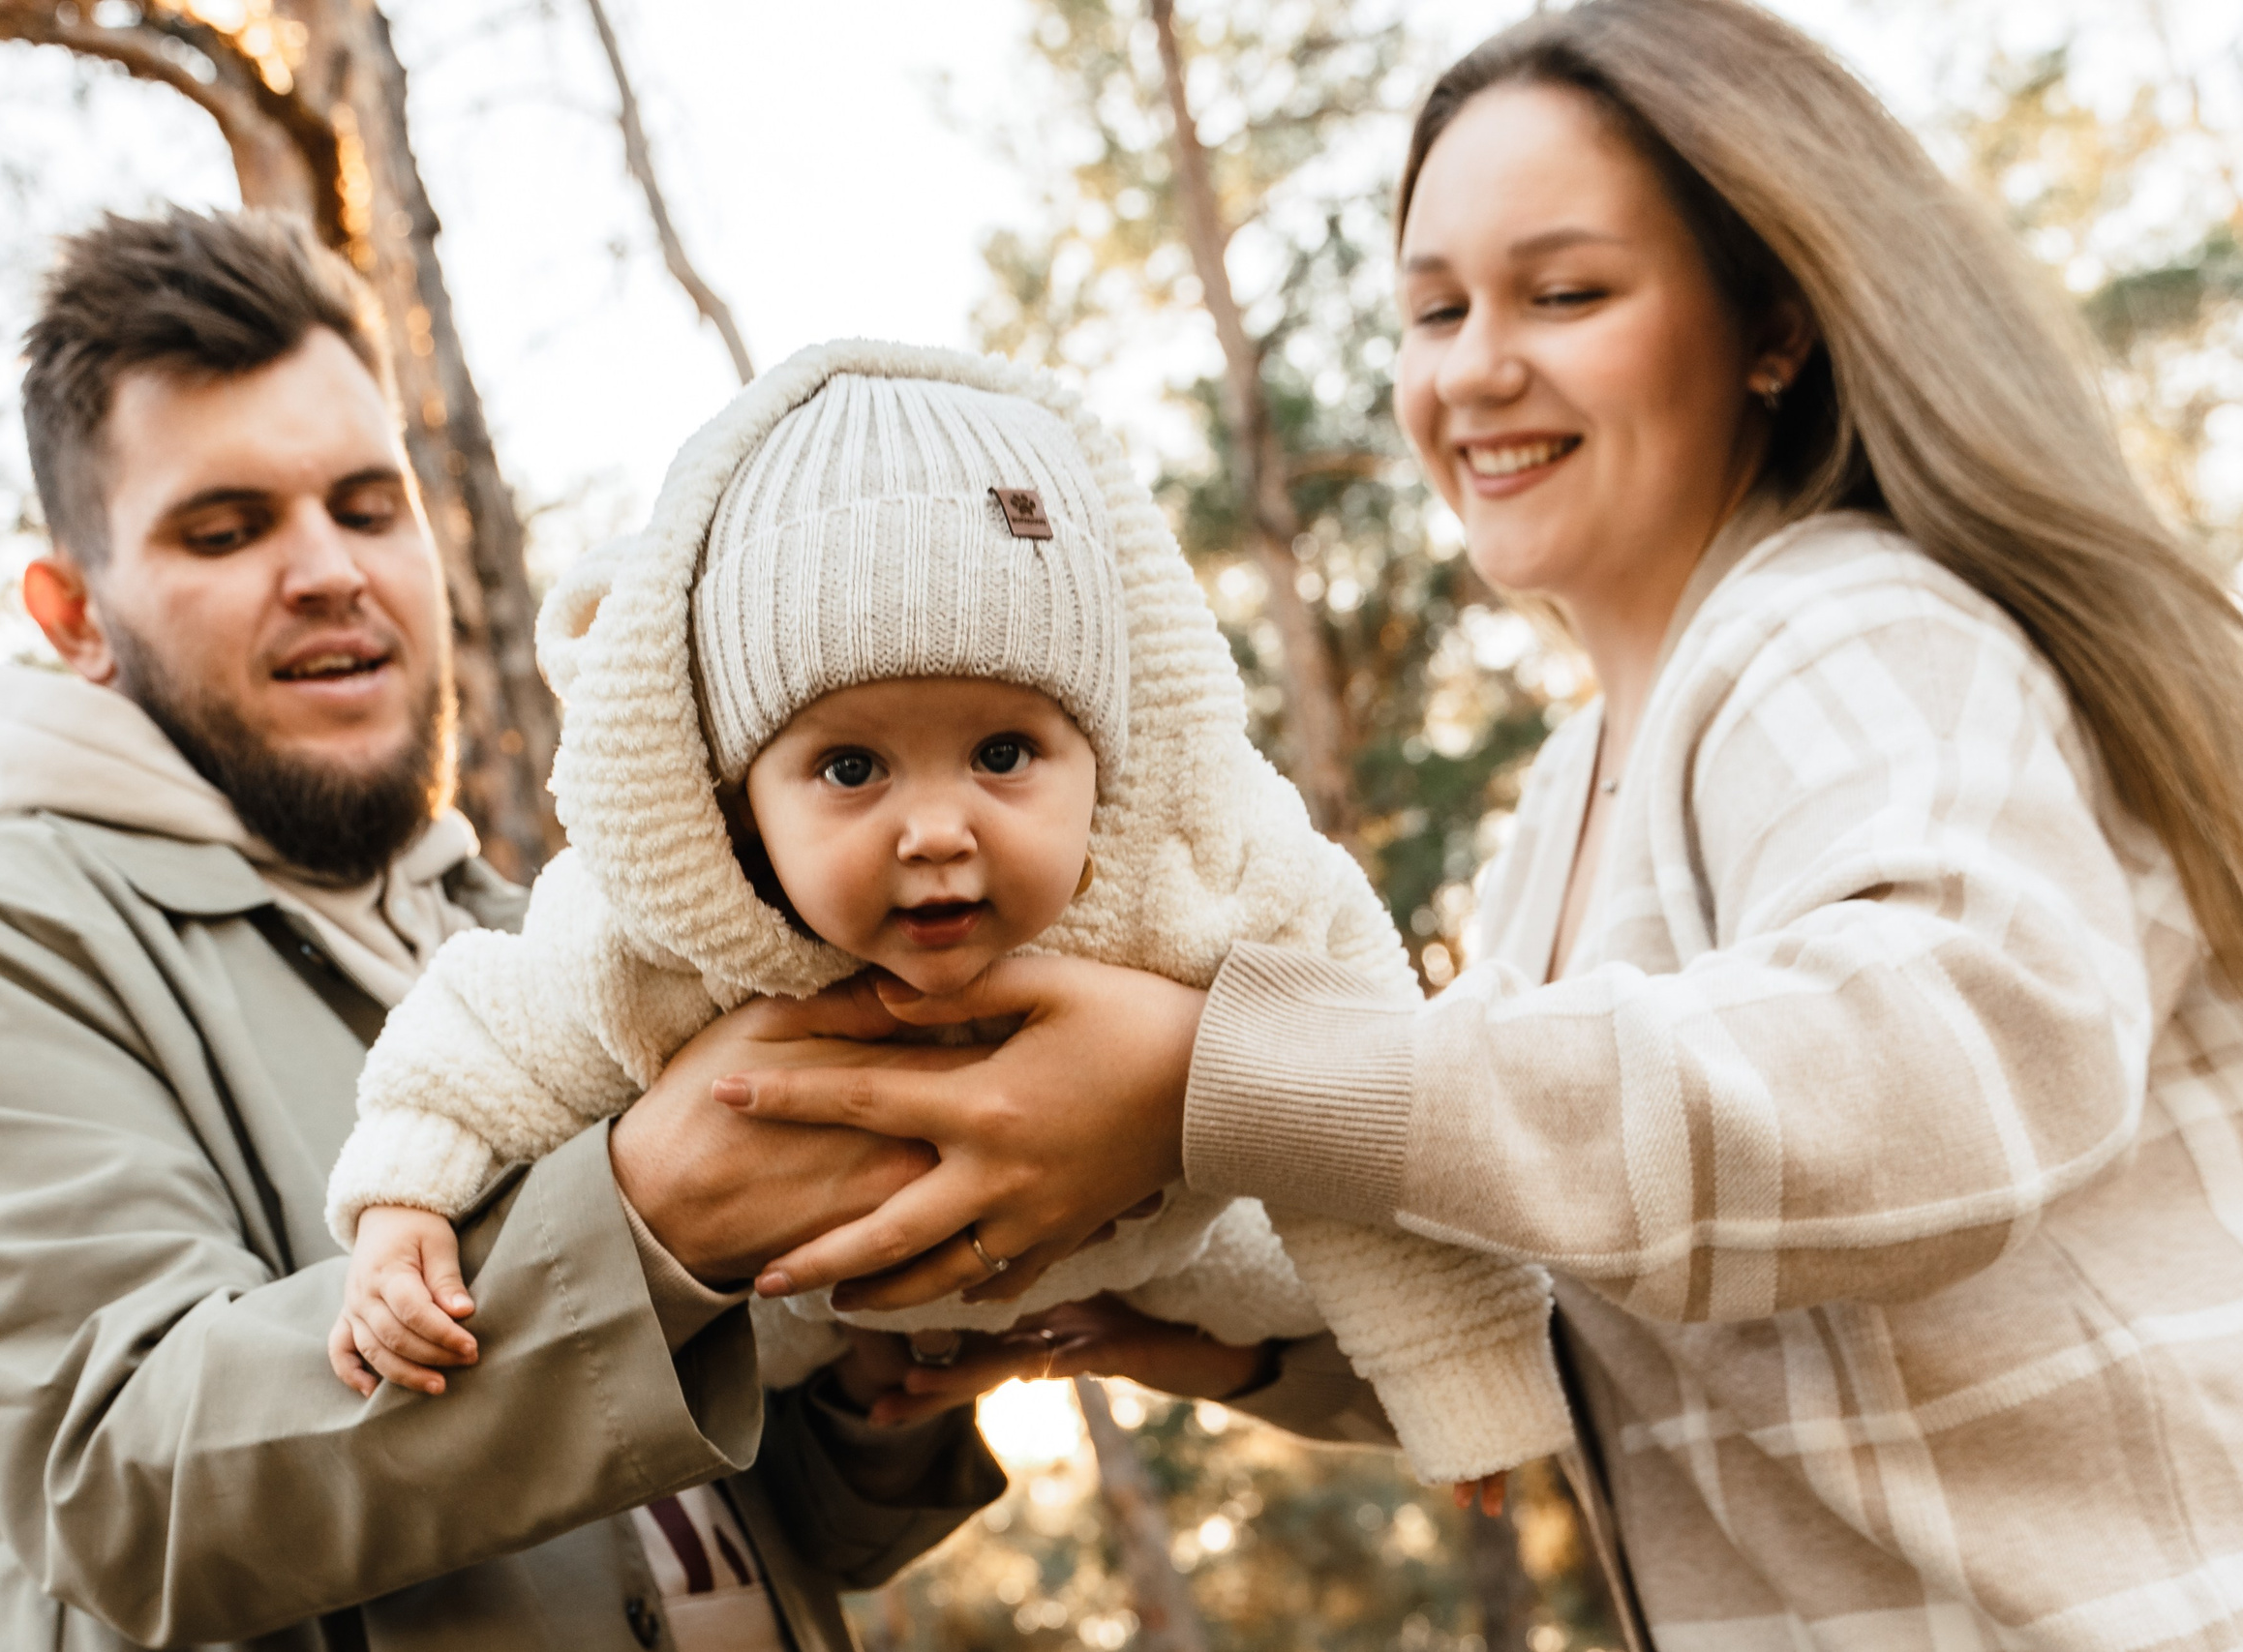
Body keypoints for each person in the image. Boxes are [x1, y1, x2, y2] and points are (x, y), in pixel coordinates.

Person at [704, 2, 2243, 1646]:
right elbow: (1640, 1281)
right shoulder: (1566, 815)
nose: (1473, 367)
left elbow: (1938, 1076)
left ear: (1772, 326)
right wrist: (1171, 1317)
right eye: (1433, 308)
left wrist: (1215, 1073)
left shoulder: (1846, 631)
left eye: (1564, 293)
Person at [0, 207, 1009, 1651]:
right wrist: (646, 1221)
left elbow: (783, 1527)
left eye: (366, 507)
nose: (329, 569)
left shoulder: (523, 942)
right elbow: (123, 1488)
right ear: (75, 616)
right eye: (227, 527)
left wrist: (890, 1382)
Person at [321, 340, 1574, 1489]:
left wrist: (1469, 1390)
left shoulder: (1201, 876)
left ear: (1104, 752)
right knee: (708, 1372)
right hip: (807, 1301)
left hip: (1149, 1249)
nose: (936, 831)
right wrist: (399, 1214)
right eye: (852, 770)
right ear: (743, 803)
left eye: (1004, 750)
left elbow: (1353, 1100)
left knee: (1280, 1269)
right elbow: (481, 1039)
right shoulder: (658, 934)